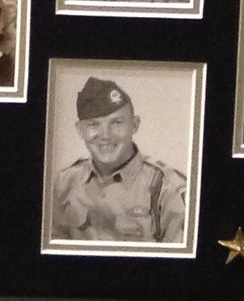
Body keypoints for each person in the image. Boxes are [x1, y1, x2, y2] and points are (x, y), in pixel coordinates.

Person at [50, 75, 187, 246]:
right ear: (80, 130)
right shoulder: (64, 183)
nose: (105, 136)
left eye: (116, 123)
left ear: (135, 124)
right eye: (93, 125)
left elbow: (180, 264)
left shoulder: (168, 187)